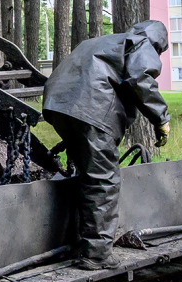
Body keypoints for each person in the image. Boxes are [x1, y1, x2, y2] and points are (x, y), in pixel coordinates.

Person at [40, 20, 172, 269]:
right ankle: (96, 255)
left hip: (57, 105)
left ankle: (80, 241)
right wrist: (161, 119)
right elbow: (141, 78)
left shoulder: (101, 42)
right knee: (103, 181)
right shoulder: (140, 43)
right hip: (92, 109)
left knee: (87, 176)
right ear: (159, 43)